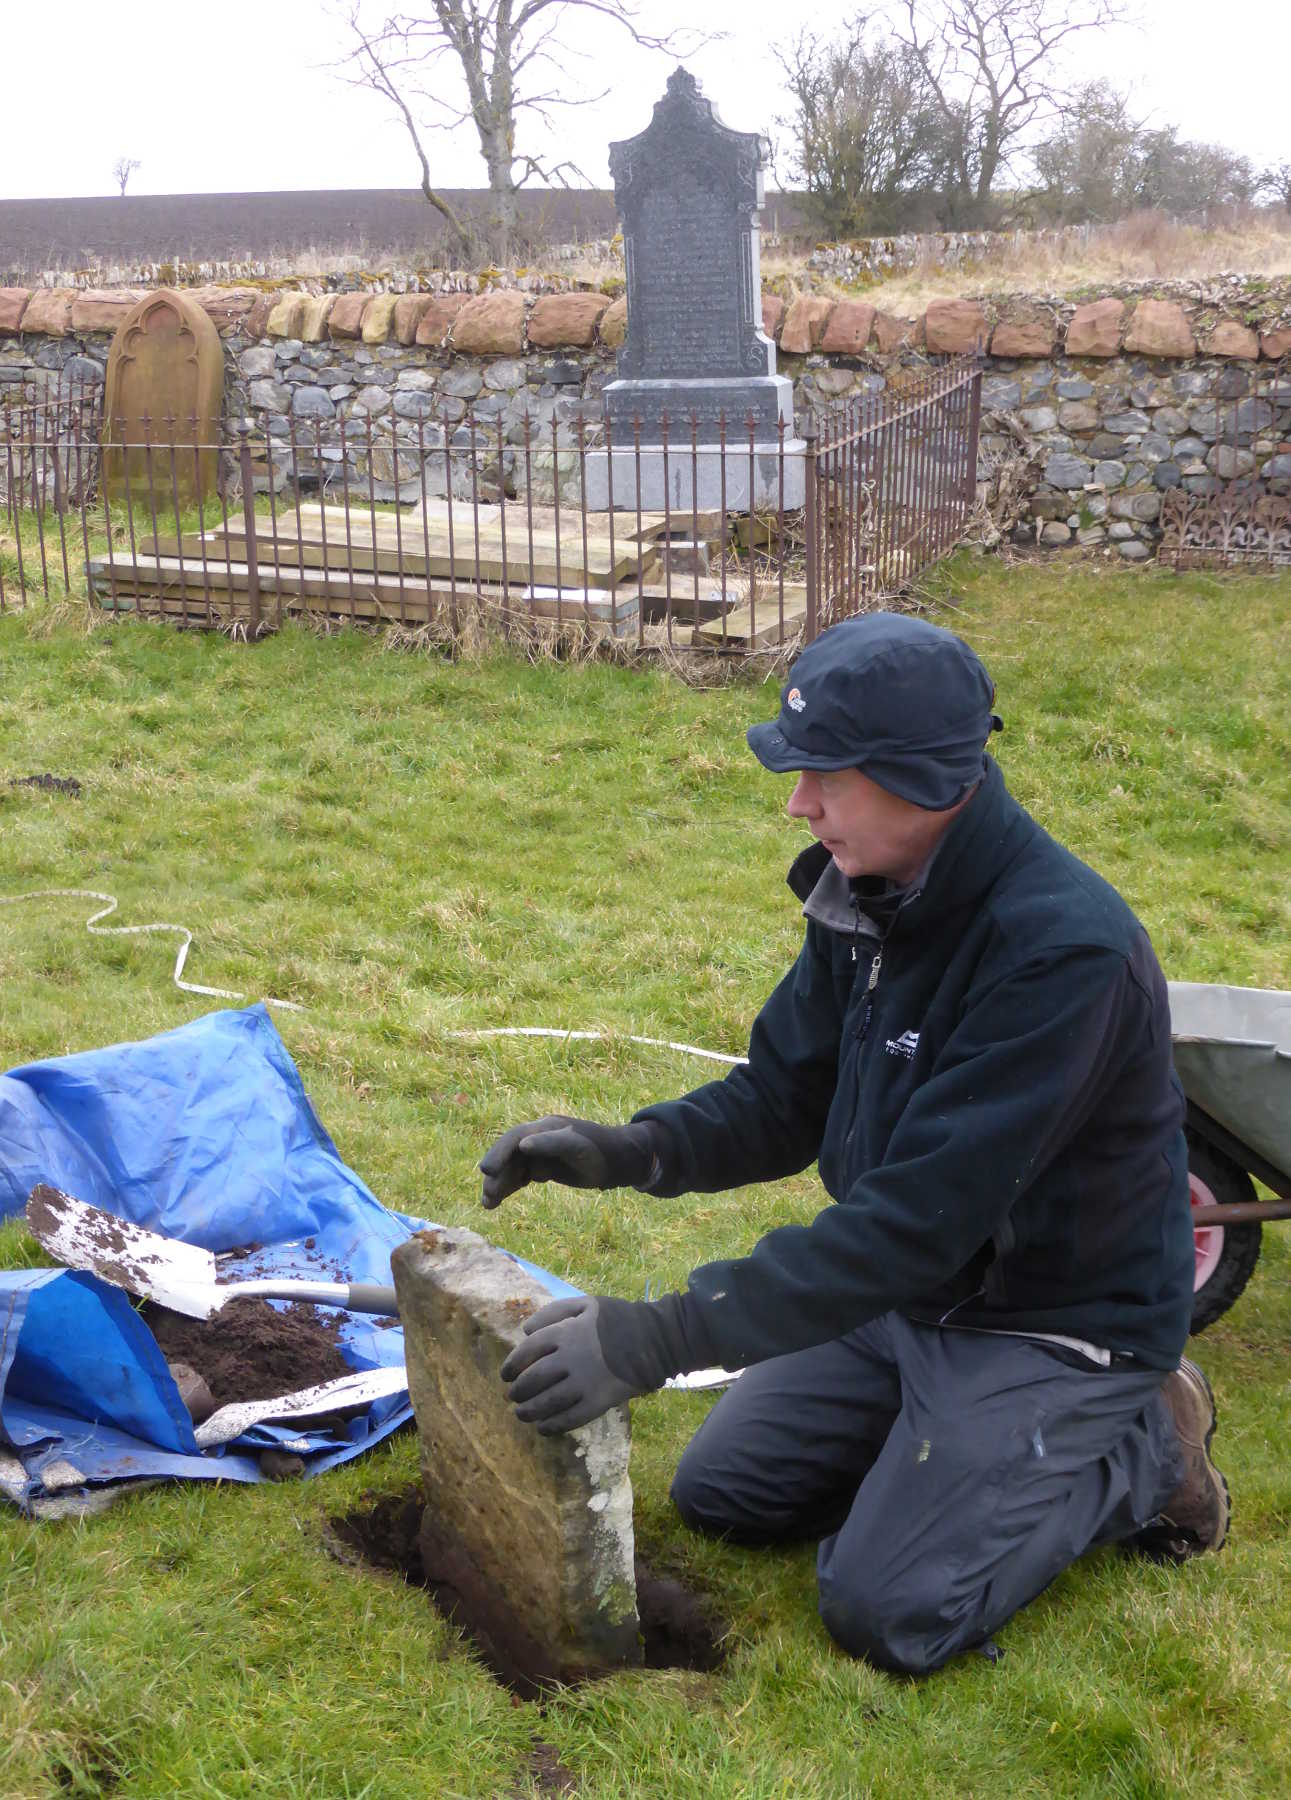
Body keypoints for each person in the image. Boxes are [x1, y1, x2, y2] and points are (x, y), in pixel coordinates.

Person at [479, 611, 1229, 1676]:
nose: (798, 803)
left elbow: (915, 1220)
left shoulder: (1060, 951)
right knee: (726, 1496)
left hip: (1054, 1320)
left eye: (824, 775)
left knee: (889, 1608)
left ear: (924, 779)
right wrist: (630, 1150)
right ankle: (953, 1448)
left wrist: (657, 1337)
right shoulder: (870, 895)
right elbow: (783, 1095)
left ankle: (1148, 1447)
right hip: (909, 1298)